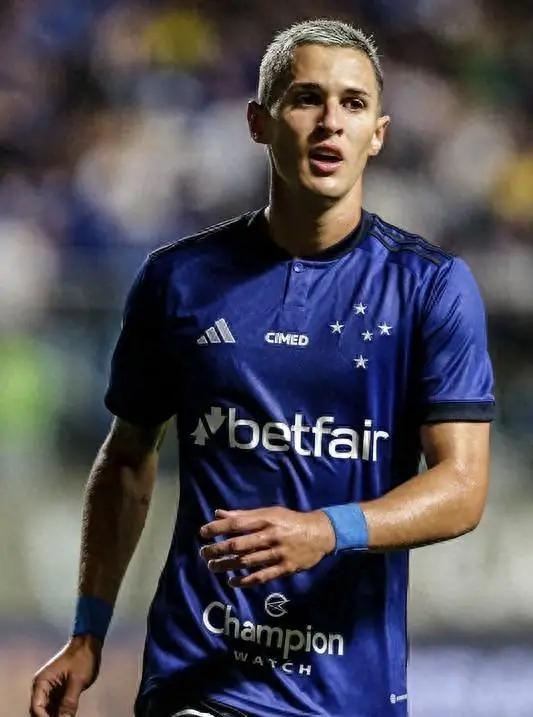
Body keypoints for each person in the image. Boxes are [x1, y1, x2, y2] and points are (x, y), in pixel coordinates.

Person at [30, 18, 494, 717]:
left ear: (378, 135)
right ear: (258, 122)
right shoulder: (178, 280)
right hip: (201, 679)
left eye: (353, 104)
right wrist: (87, 631)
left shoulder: (429, 287)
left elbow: (461, 485)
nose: (330, 122)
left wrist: (326, 530)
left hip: (348, 692)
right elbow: (126, 458)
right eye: (306, 98)